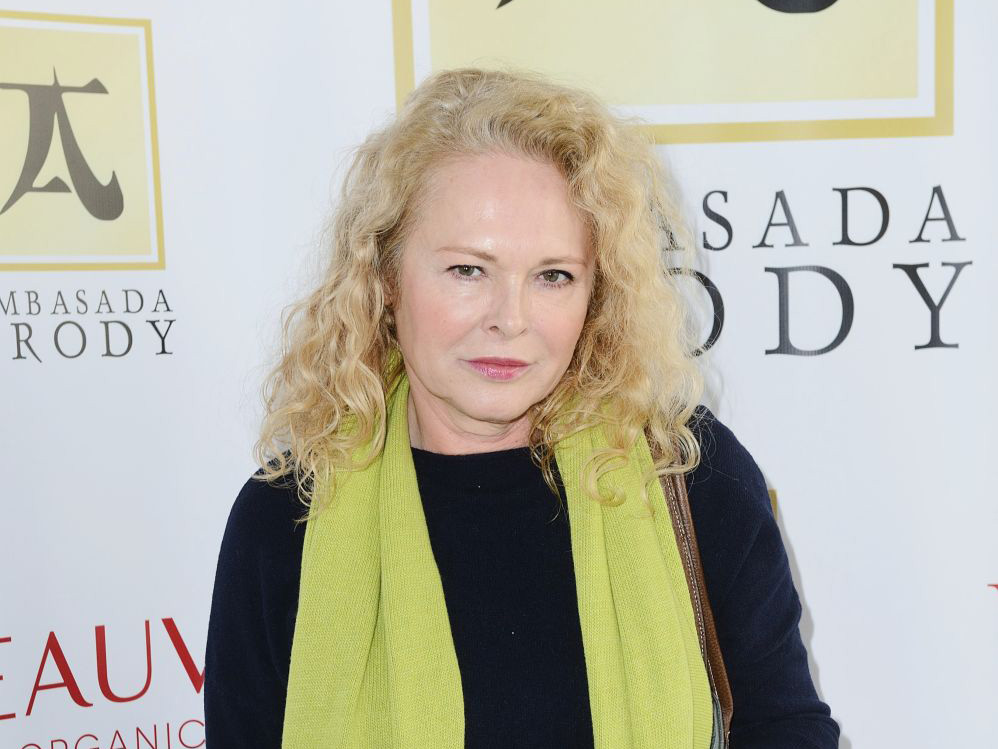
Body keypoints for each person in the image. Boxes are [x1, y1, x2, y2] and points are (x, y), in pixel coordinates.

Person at [204, 67, 840, 748]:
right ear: (386, 277)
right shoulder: (286, 516)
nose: (510, 319)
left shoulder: (688, 470)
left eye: (553, 276)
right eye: (468, 270)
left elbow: (785, 729)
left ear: (596, 295)